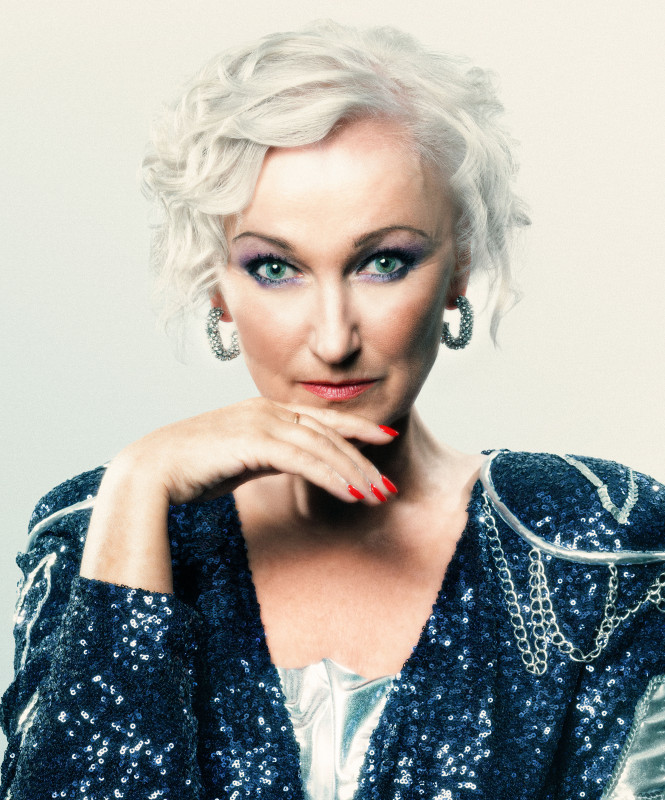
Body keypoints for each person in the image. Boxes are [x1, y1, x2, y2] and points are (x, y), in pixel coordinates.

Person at [1, 19, 664, 800]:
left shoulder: (592, 539)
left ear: (459, 267)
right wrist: (139, 483)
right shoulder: (100, 523)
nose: (332, 338)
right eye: (274, 268)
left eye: (383, 262)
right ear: (217, 288)